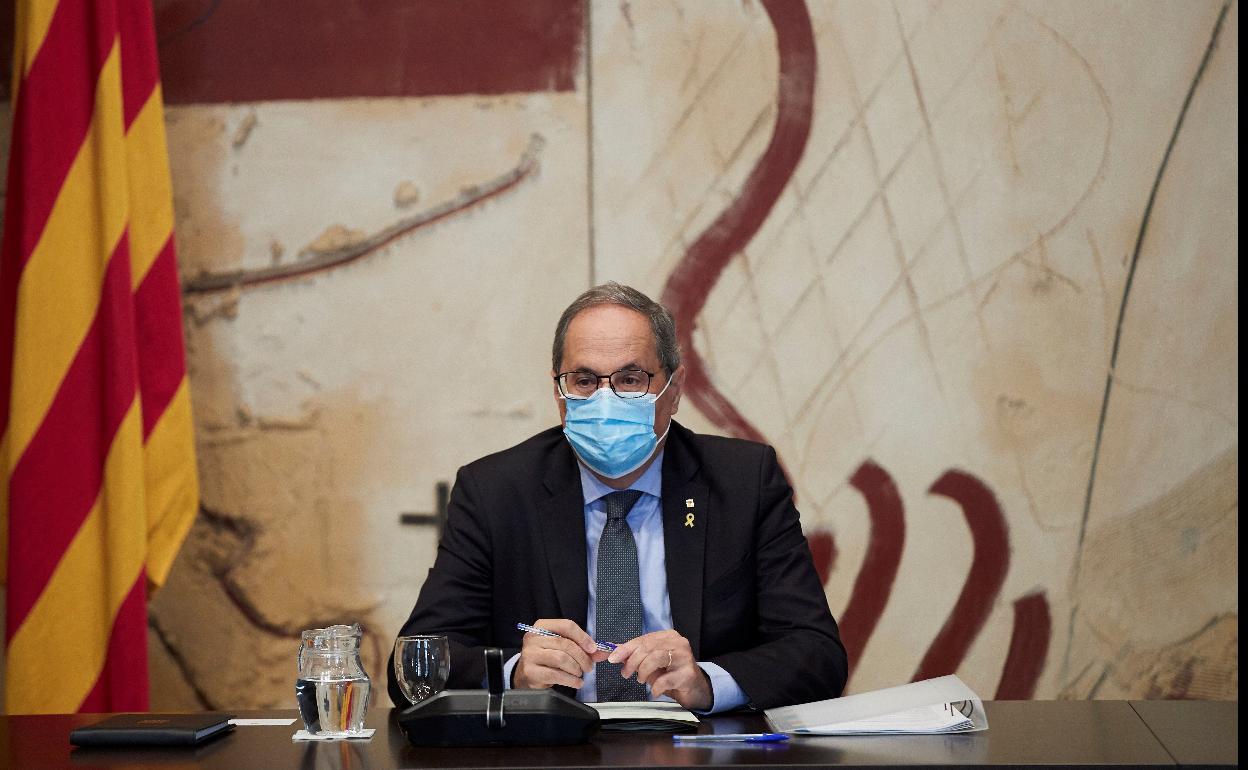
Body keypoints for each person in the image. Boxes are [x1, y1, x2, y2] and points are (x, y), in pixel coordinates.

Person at [388, 282, 846, 712]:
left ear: (674, 390)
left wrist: (706, 682)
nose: (605, 400)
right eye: (585, 381)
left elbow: (817, 654)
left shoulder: (743, 482)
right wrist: (515, 674)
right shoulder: (496, 491)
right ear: (559, 393)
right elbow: (414, 664)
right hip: (554, 752)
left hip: (697, 750)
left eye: (630, 379)